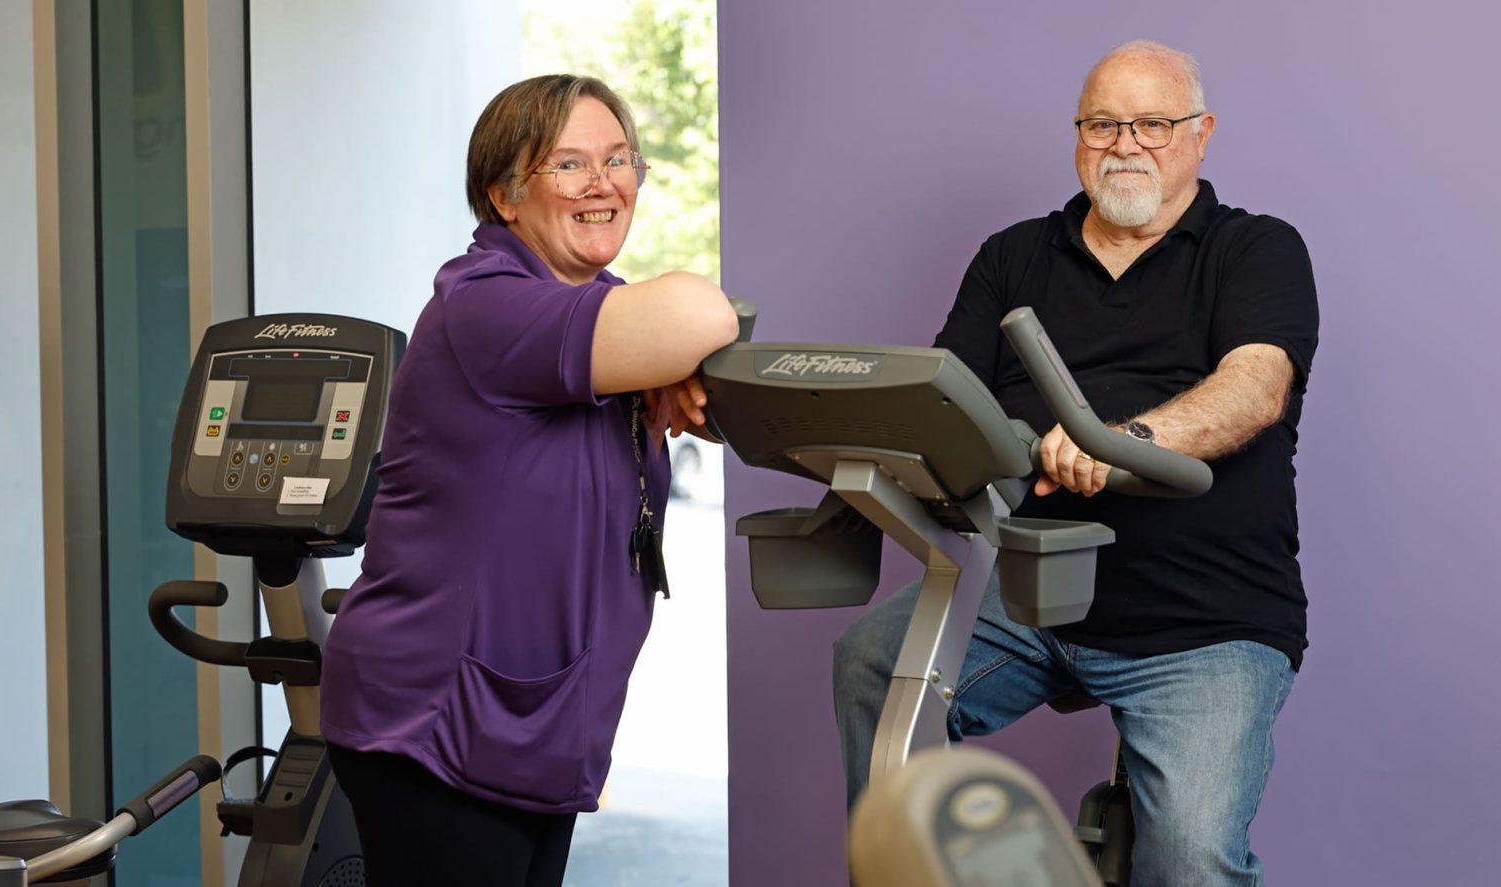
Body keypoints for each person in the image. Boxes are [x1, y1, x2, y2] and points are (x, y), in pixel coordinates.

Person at [834, 40, 1319, 886]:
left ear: (1199, 135)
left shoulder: (1255, 249)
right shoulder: (1014, 255)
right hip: (1026, 590)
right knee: (872, 660)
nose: (1123, 143)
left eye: (1152, 124)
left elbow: (1254, 387)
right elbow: (948, 401)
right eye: (1101, 123)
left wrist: (1119, 442)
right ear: (1076, 135)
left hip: (1203, 620)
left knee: (1191, 858)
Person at [319, 74, 738, 886]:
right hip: (436, 722)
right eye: (570, 164)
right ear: (503, 196)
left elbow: (709, 389)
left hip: (535, 728)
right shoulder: (486, 306)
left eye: (619, 159)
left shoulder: (602, 314)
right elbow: (703, 313)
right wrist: (672, 354)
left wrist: (672, 374)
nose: (604, 183)